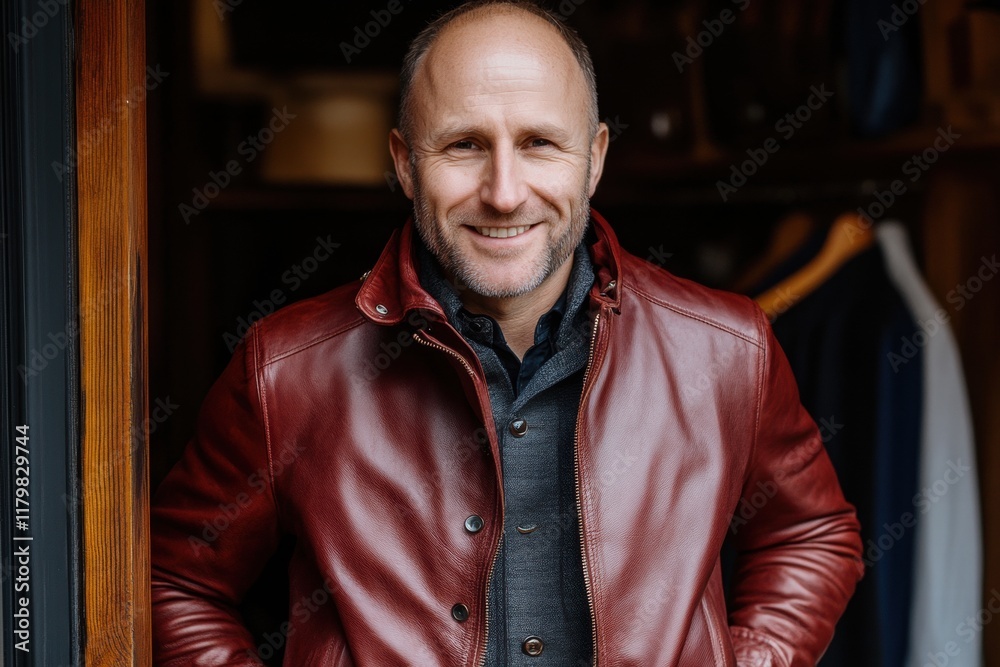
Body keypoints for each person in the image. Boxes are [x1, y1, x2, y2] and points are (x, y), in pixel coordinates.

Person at [150, 2, 864, 665]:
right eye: (464, 144)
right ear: (403, 162)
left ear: (596, 159)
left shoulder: (725, 347)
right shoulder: (287, 369)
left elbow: (813, 535)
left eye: (539, 143)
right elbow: (176, 576)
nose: (503, 191)